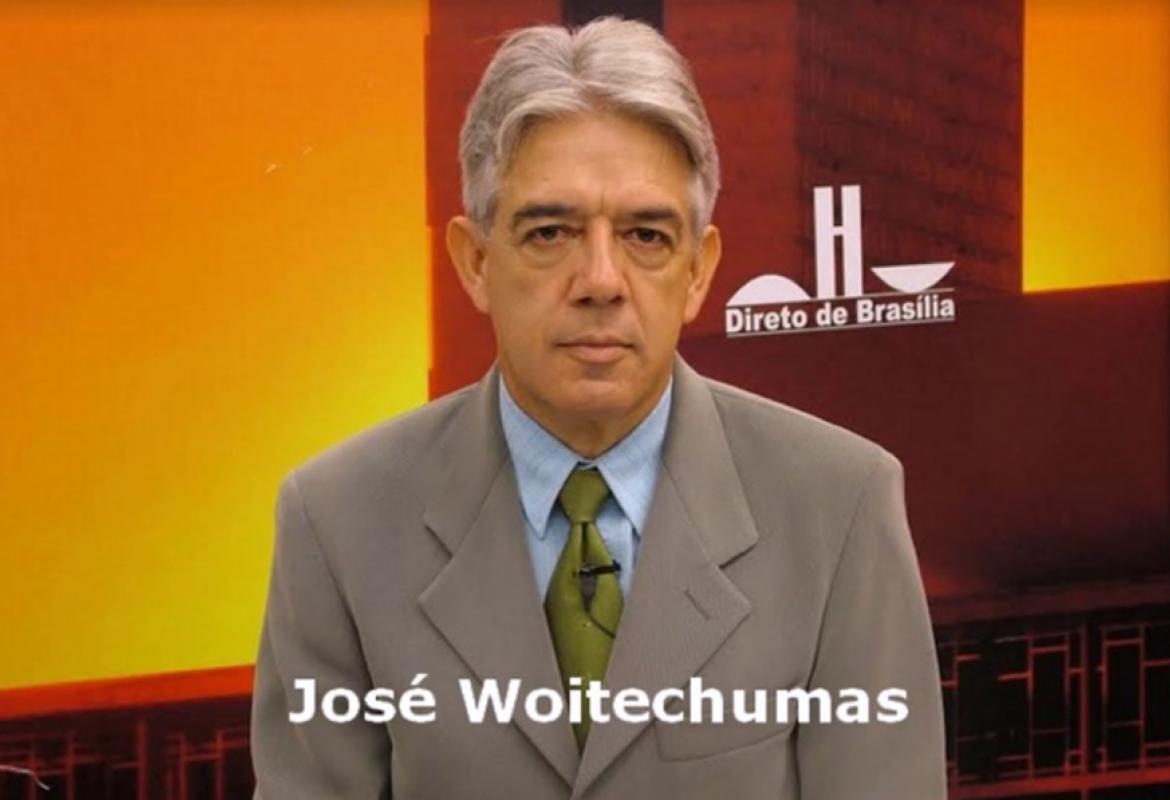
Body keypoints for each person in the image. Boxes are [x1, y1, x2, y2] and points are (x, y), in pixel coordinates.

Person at [250, 16, 946, 800]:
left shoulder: (840, 505)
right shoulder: (335, 521)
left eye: (646, 235)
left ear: (698, 270)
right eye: (551, 232)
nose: (601, 281)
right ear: (474, 261)